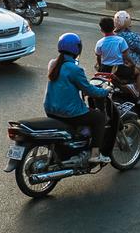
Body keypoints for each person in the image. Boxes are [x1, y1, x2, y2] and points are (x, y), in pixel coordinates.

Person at [44, 33, 111, 165]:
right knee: (99, 118)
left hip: (50, 110)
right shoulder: (75, 69)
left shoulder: (53, 64)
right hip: (69, 113)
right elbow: (90, 90)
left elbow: (65, 85)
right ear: (77, 49)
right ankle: (95, 154)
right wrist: (105, 91)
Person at [94, 15, 140, 99]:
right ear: (113, 27)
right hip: (119, 70)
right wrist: (133, 64)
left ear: (101, 30)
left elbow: (98, 57)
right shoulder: (120, 40)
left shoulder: (100, 42)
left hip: (105, 70)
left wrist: (100, 67)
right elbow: (126, 56)